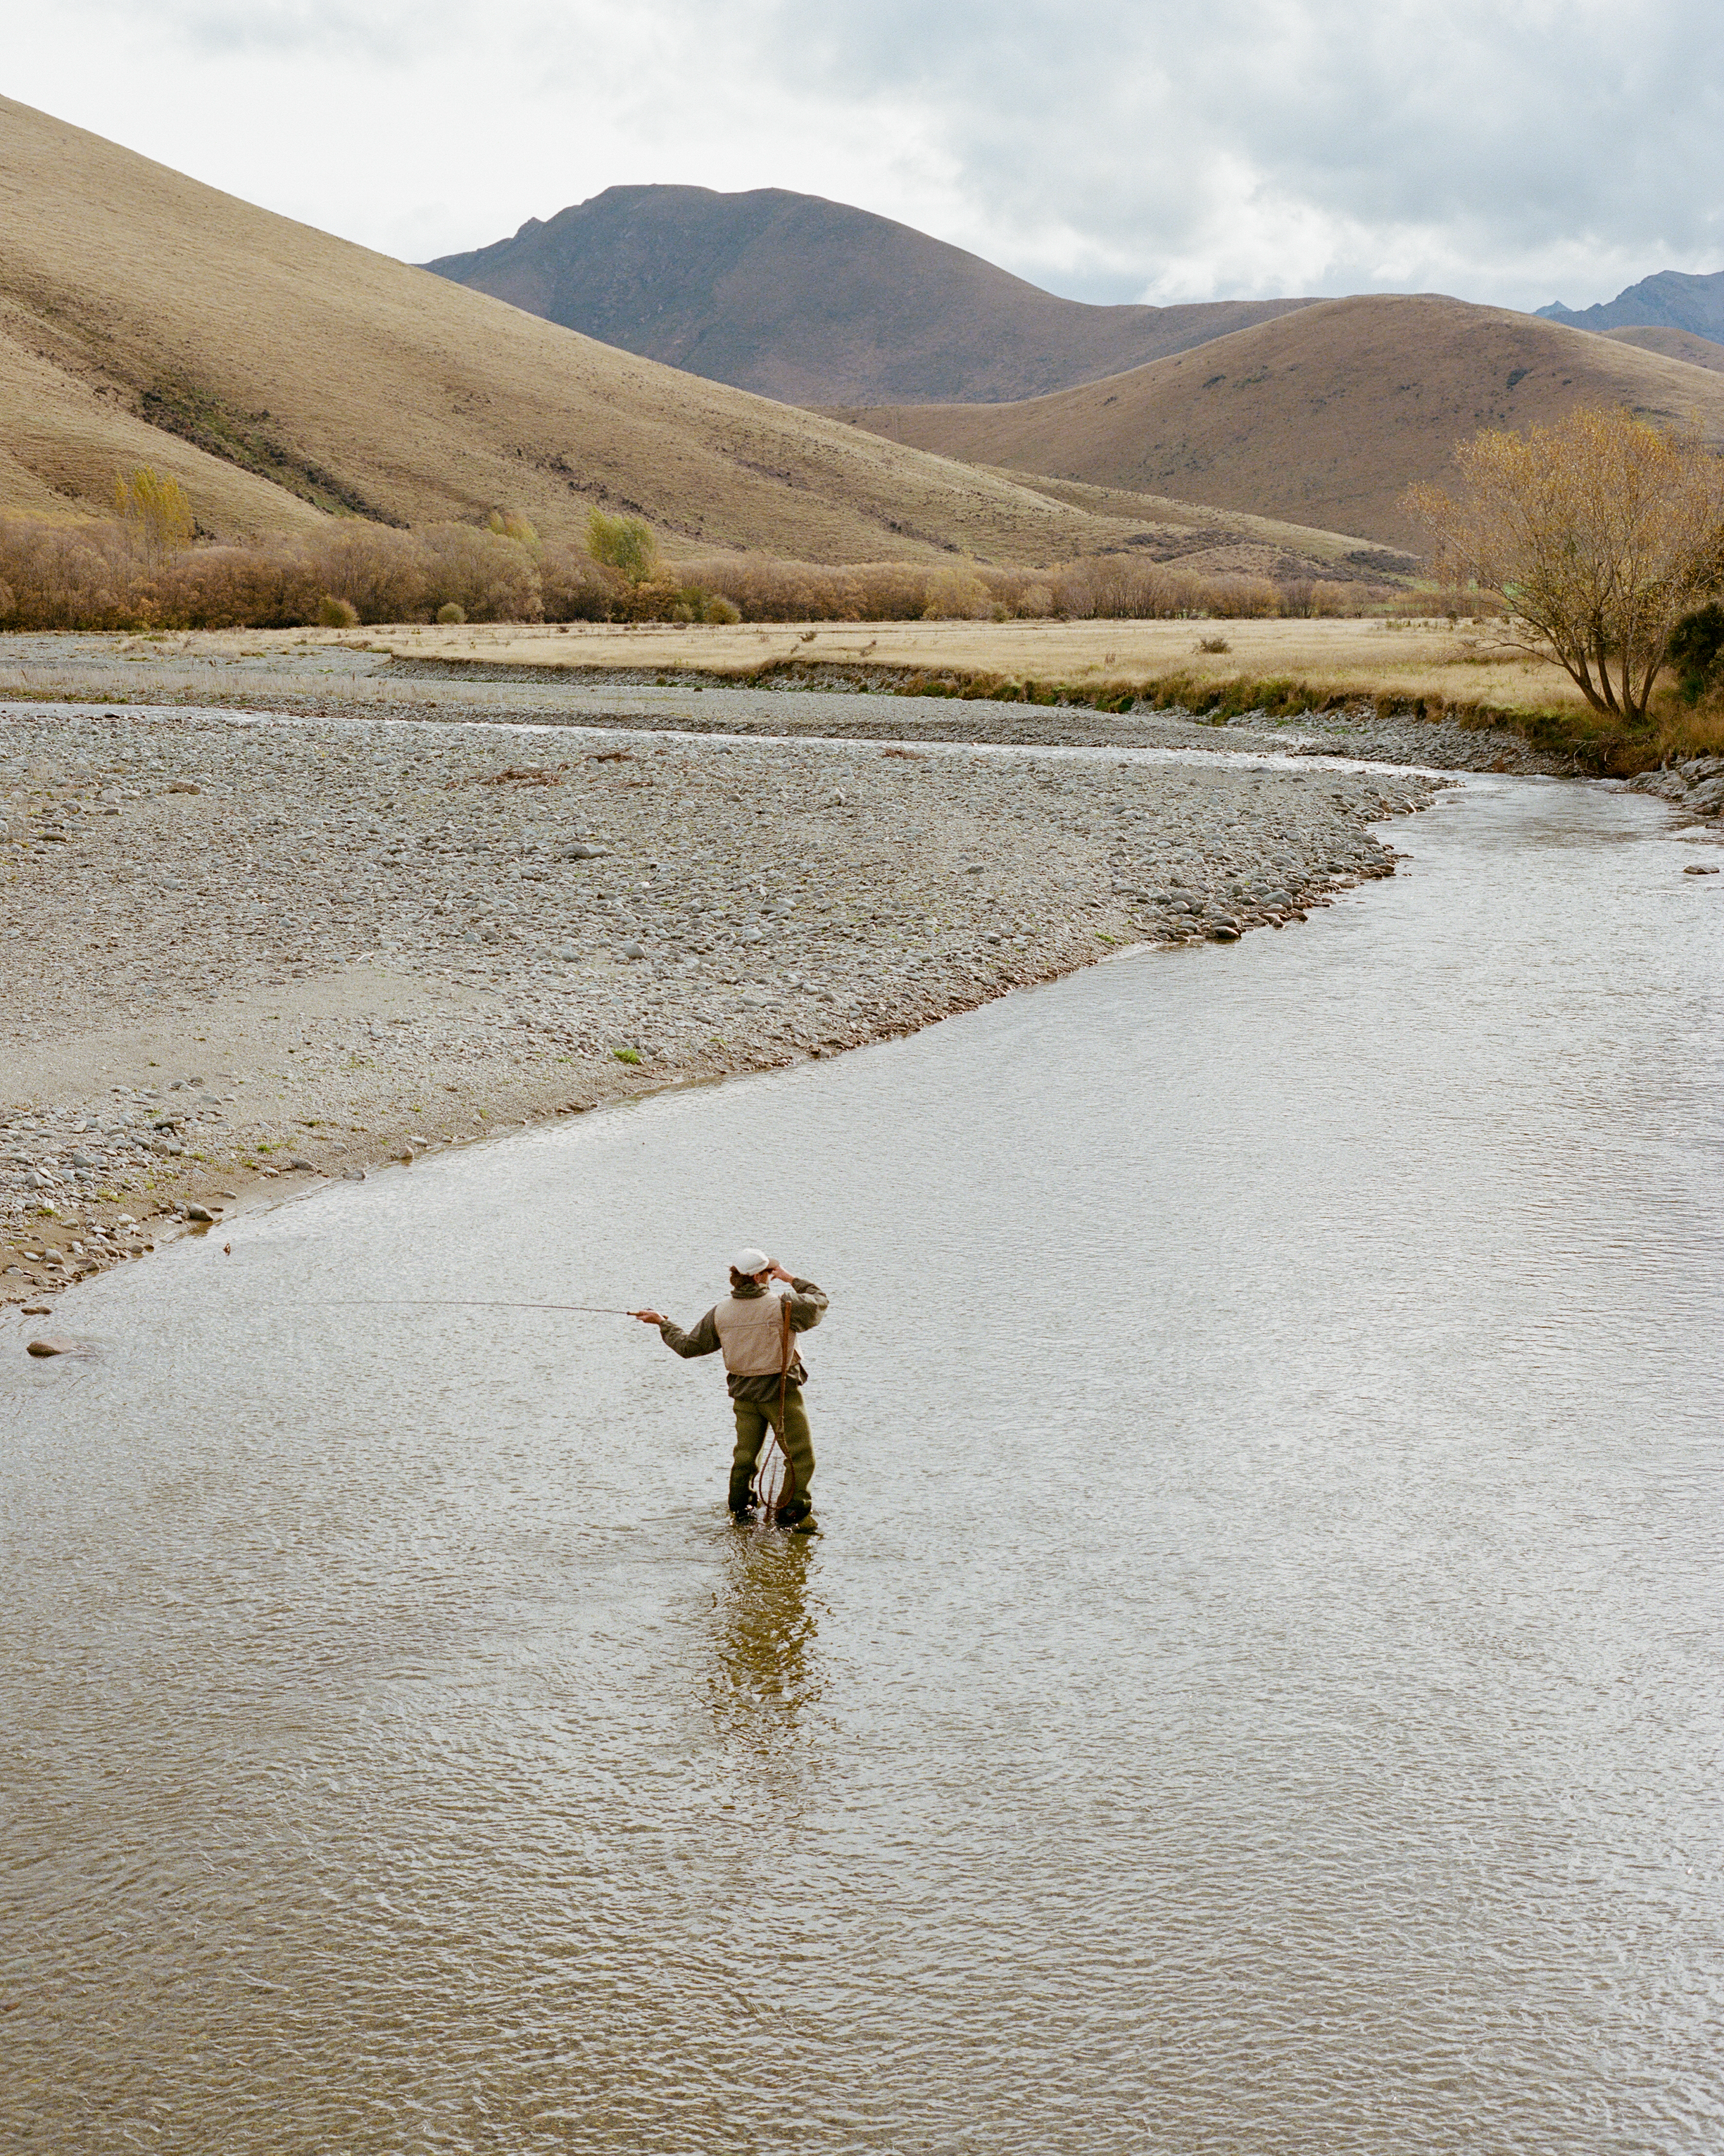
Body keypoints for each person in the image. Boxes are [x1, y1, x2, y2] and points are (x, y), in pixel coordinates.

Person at [633, 1248, 829, 1532]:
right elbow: (820, 1301)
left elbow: (689, 1347)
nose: (773, 1276)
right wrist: (790, 1278)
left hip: (744, 1395)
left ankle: (741, 1512)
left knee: (745, 1457)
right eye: (770, 1272)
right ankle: (792, 1515)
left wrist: (663, 1323)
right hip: (780, 1394)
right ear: (761, 1277)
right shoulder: (785, 1304)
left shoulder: (720, 1312)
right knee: (801, 1456)